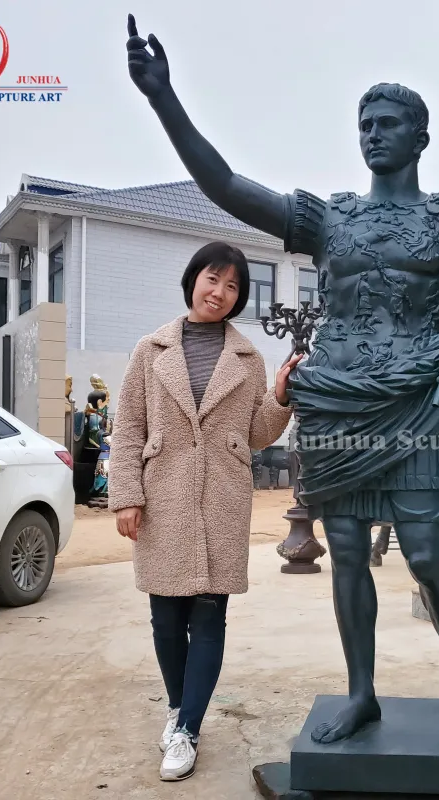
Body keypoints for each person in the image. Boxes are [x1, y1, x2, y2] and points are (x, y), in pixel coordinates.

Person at [125, 15, 439, 747]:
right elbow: (223, 184)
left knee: (421, 550)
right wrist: (163, 97)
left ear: (420, 138)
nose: (373, 134)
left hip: (419, 404)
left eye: (389, 124)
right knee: (346, 551)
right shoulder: (331, 221)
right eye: (364, 124)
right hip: (338, 401)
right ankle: (361, 693)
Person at [109, 241, 298, 781]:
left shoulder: (247, 358)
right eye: (214, 279)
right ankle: (178, 710)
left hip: (221, 497)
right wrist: (126, 496)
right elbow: (129, 430)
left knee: (209, 612)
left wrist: (280, 396)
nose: (221, 292)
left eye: (233, 286)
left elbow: (256, 433)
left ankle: (187, 729)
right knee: (166, 618)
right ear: (194, 279)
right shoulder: (150, 351)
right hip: (163, 494)